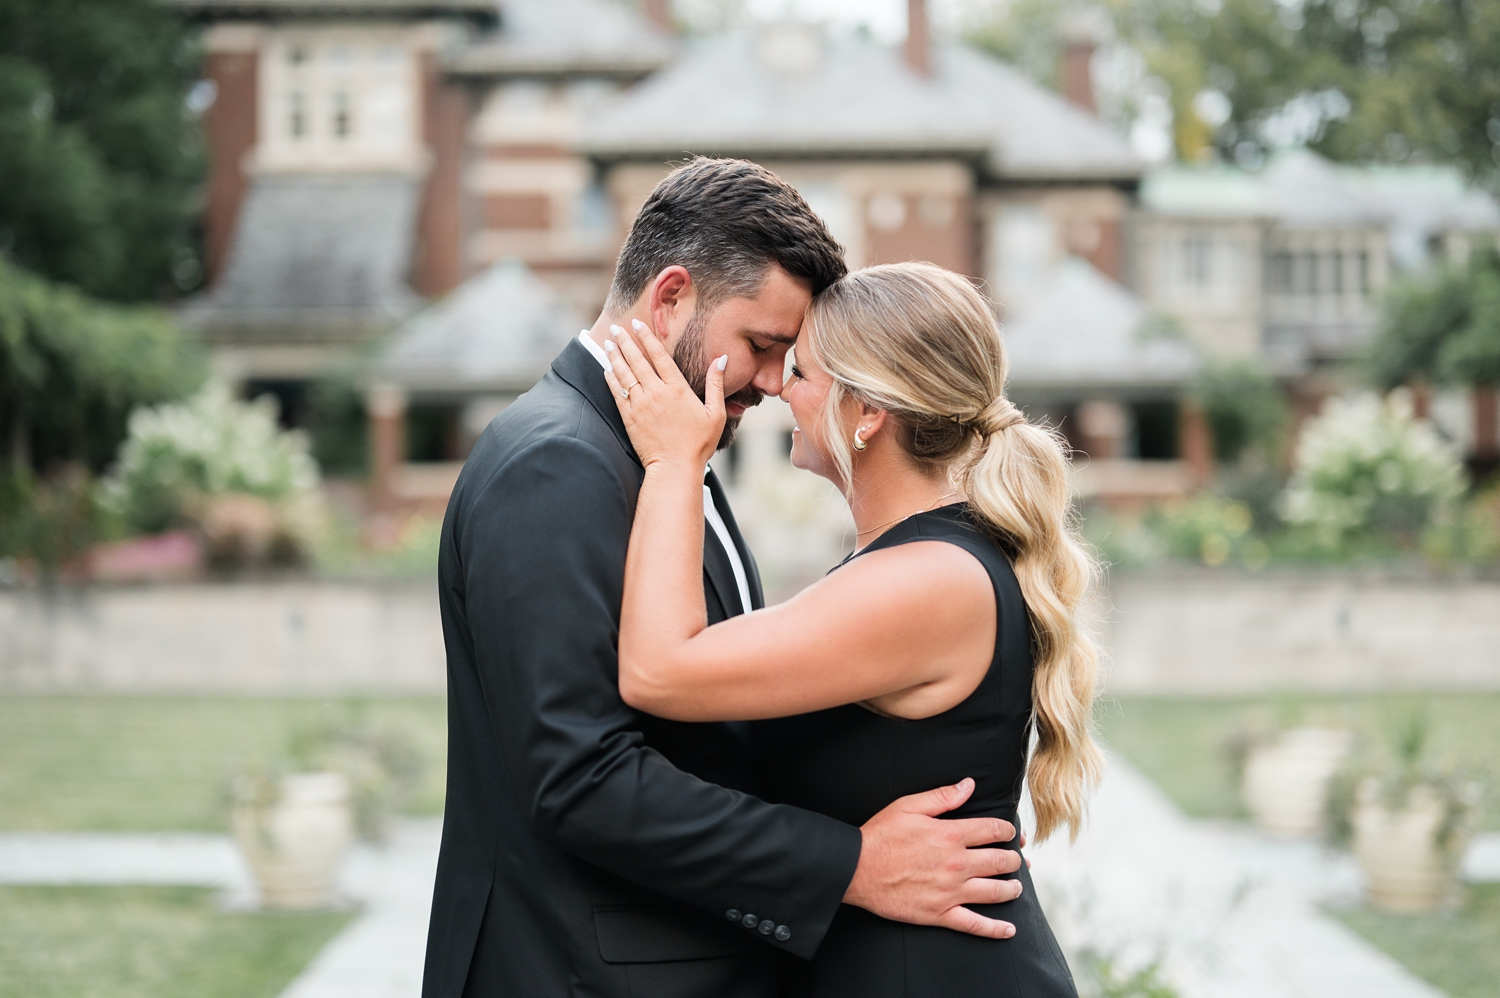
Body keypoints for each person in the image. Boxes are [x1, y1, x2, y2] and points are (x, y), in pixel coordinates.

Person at [423, 160, 1025, 998]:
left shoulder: (673, 446)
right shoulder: (559, 464)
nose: (777, 385)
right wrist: (849, 865)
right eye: (764, 347)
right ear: (671, 298)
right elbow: (578, 776)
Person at [598, 259, 1104, 996]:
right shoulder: (914, 561)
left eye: (801, 371)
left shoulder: (928, 580)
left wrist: (674, 460)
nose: (778, 389)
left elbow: (658, 671)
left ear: (867, 413)